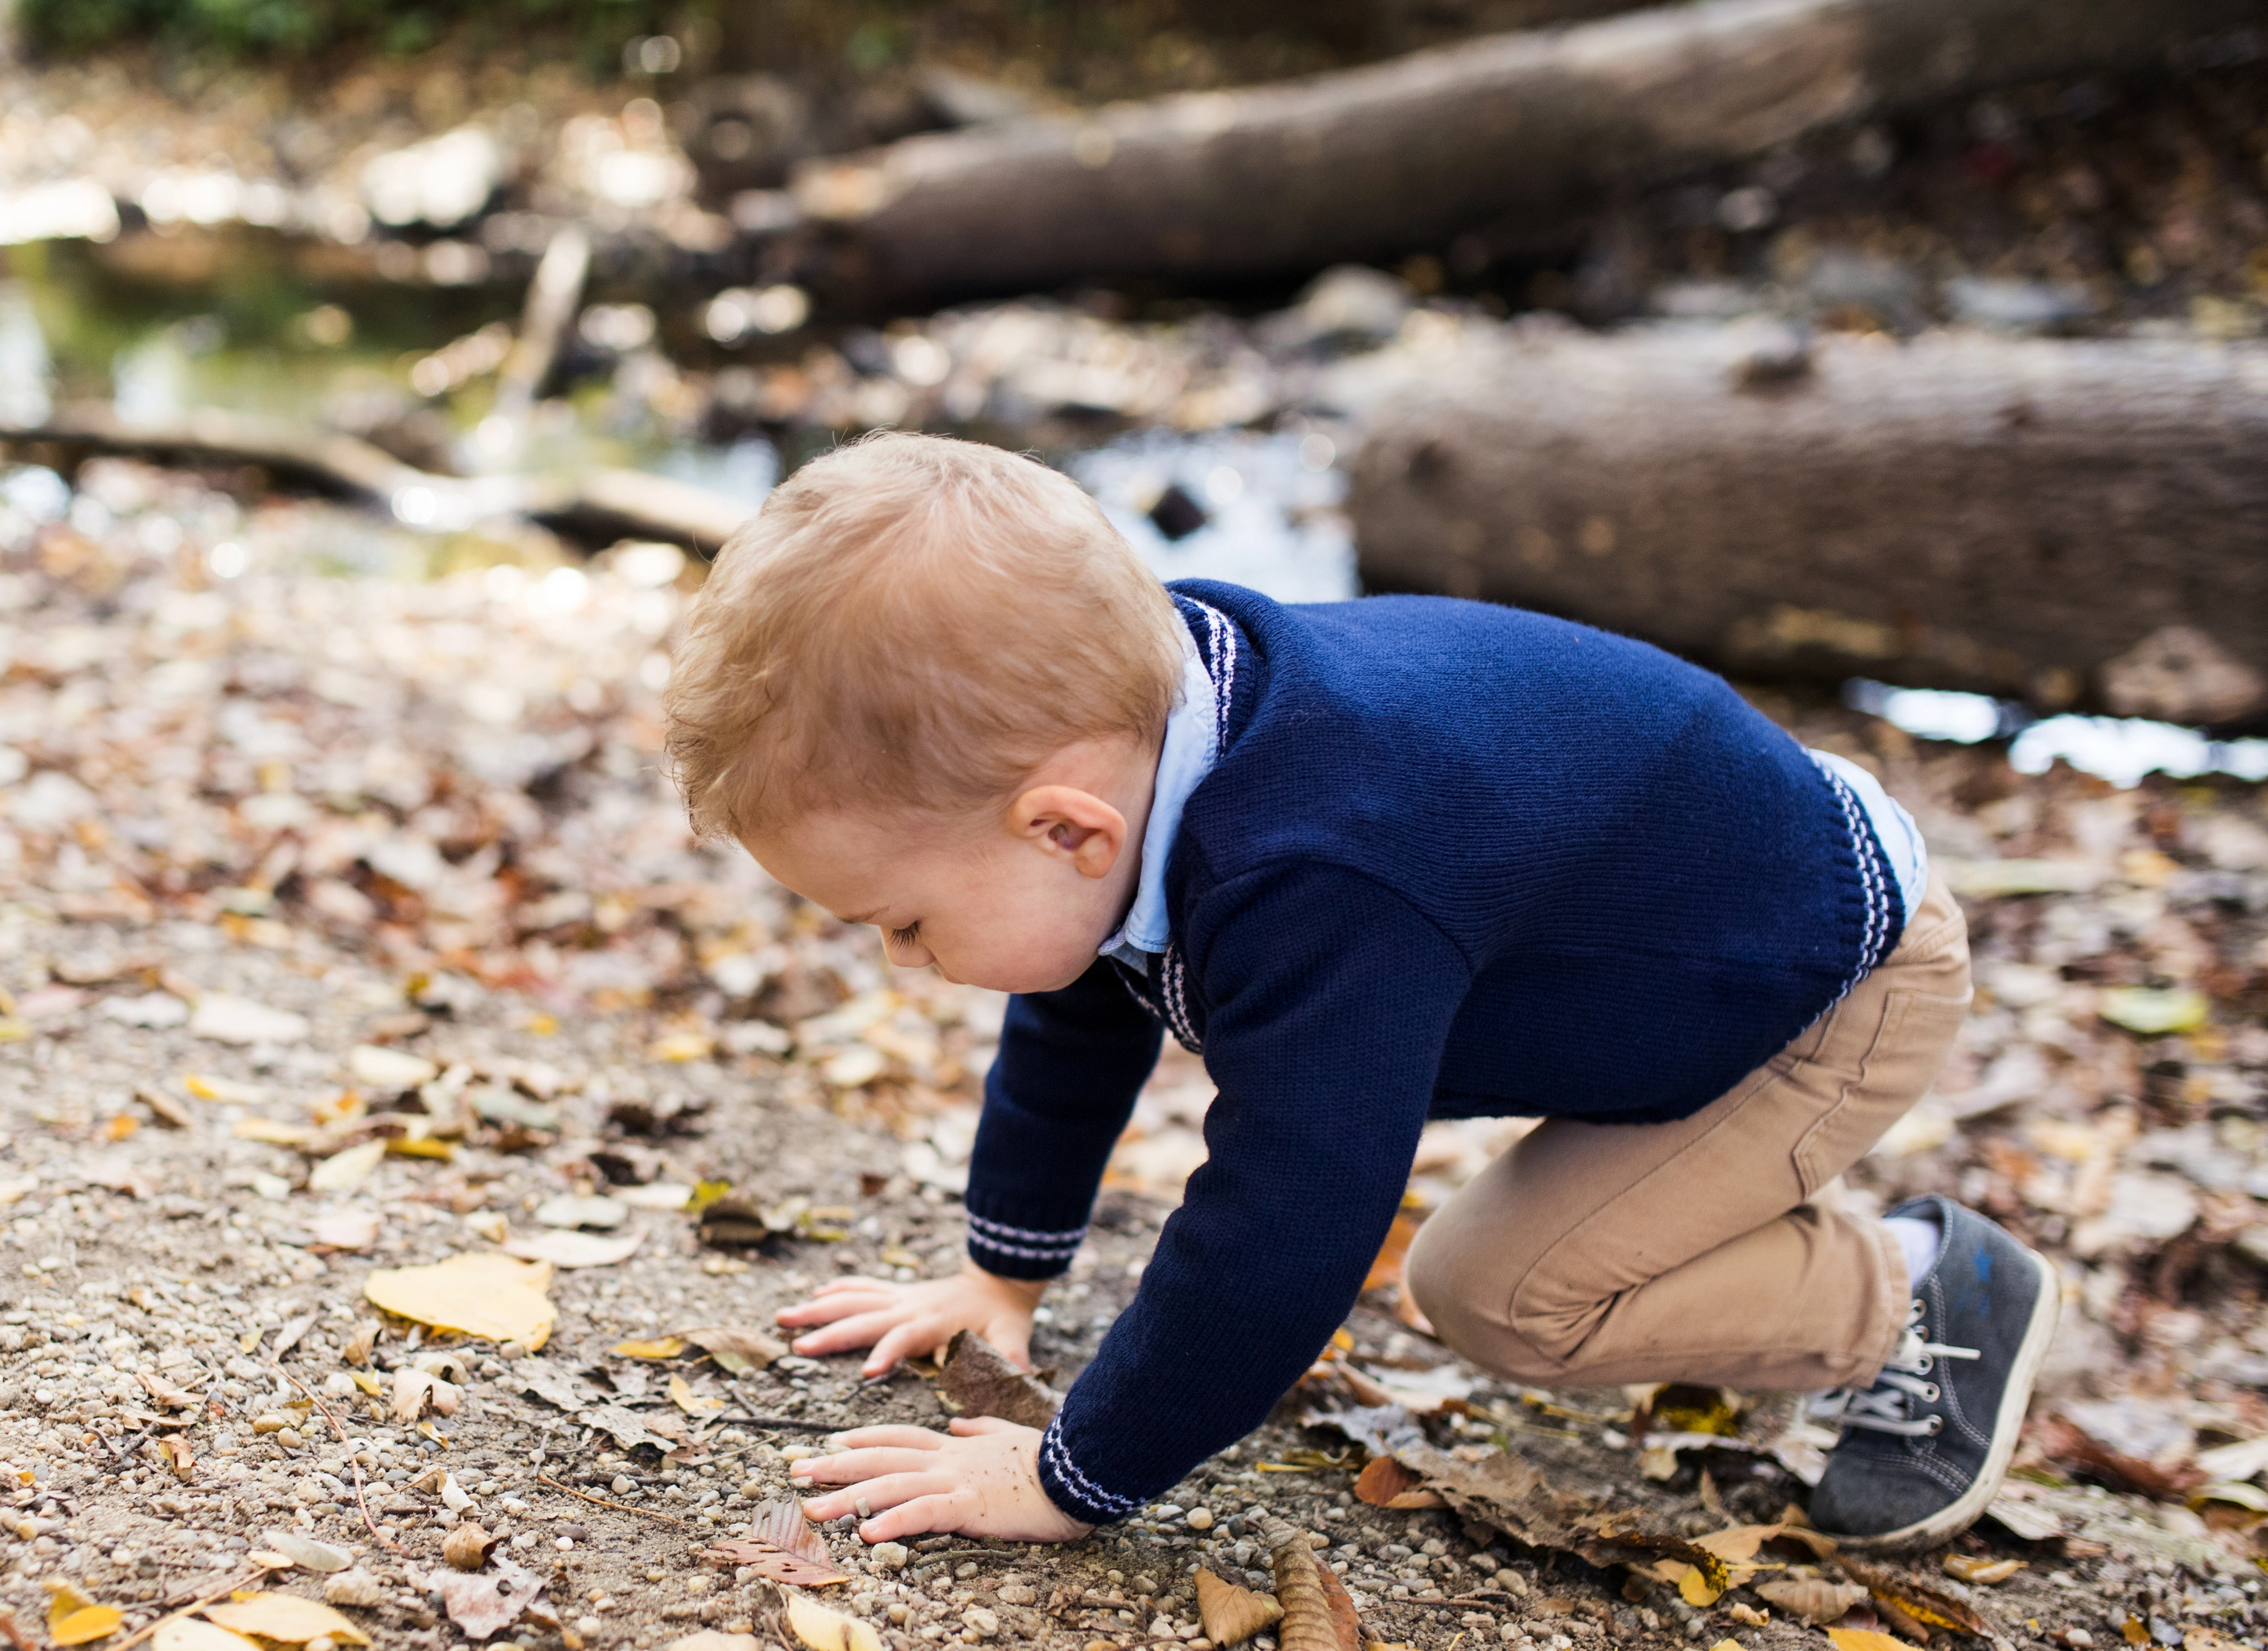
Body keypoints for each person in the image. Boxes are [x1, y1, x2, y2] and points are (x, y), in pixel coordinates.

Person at [659, 430, 2055, 1557]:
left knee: (1505, 1295)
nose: (904, 958)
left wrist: (1076, 1471)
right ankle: (1765, 1227)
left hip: (1818, 987)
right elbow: (1081, 996)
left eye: (905, 923)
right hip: (1685, 911)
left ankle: (1925, 1299)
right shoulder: (1143, 739)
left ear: (1066, 828)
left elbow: (1293, 1215)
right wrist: (999, 1274)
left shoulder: (1322, 873)